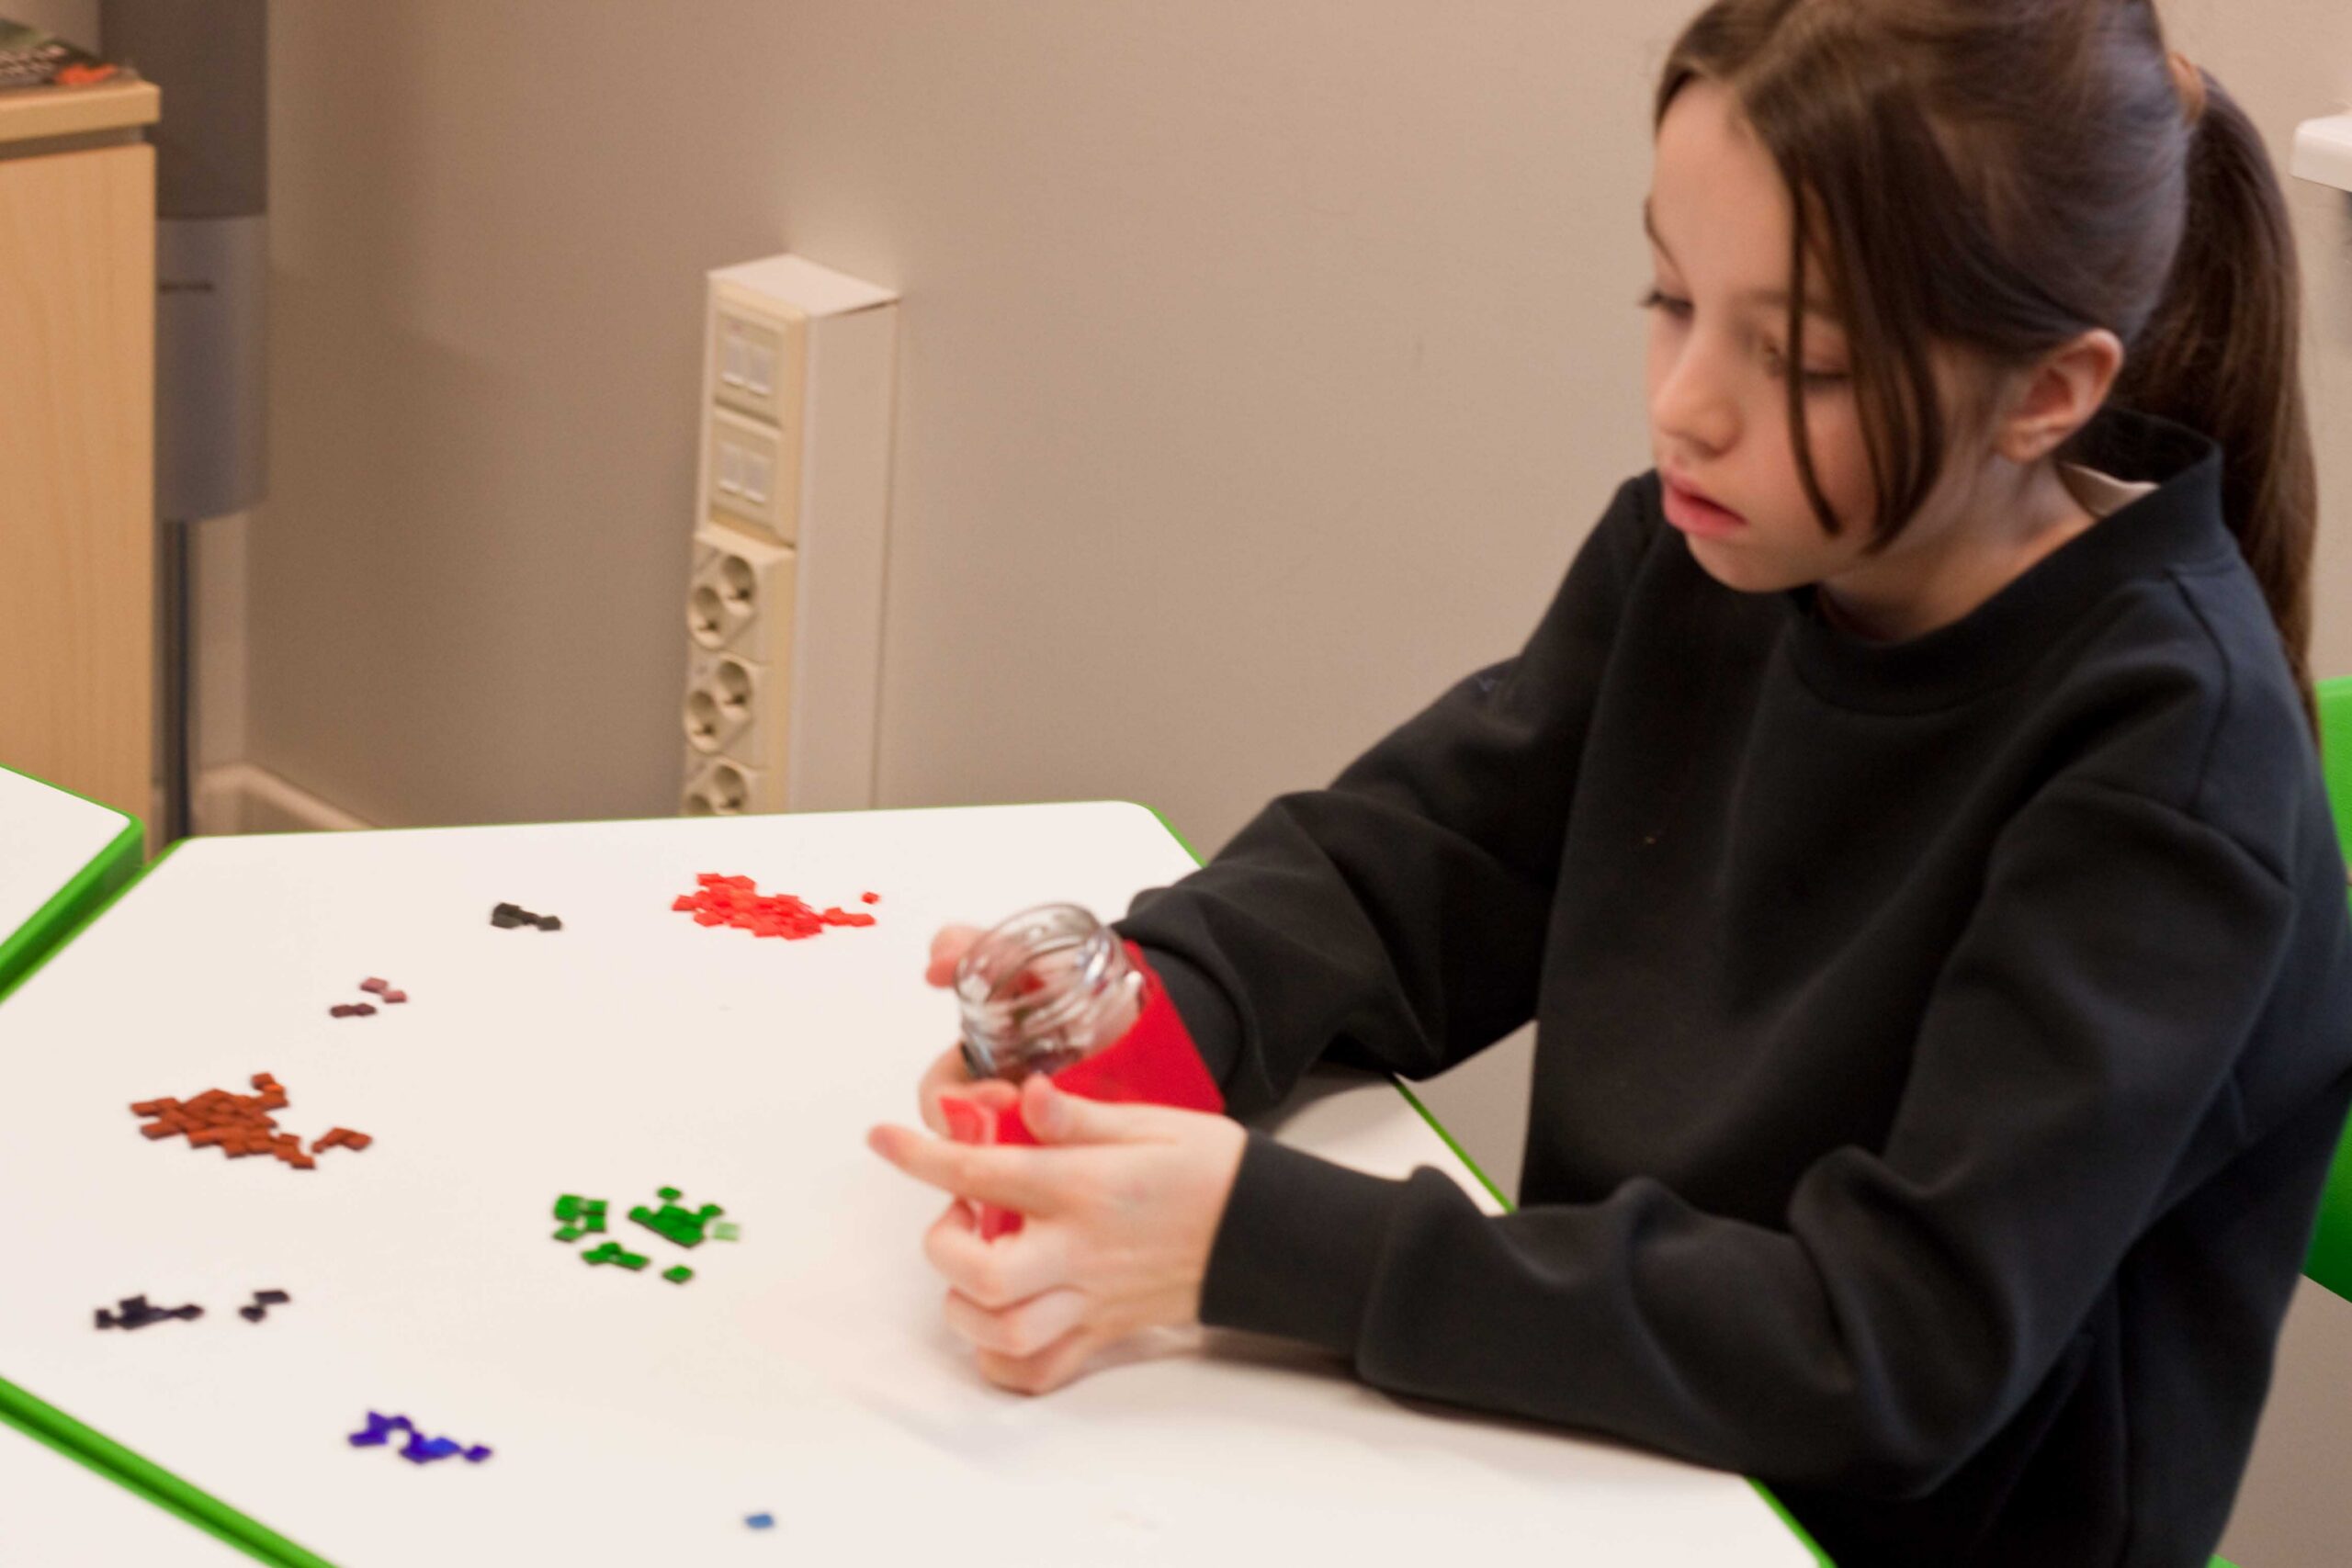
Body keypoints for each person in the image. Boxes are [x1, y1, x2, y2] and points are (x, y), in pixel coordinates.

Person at [867, 2, 2352, 1561]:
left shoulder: (2171, 772)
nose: (1685, 403)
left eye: (1799, 357)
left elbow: (1889, 1348)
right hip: (1601, 1467)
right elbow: (1419, 868)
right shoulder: (1713, 556)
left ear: (2048, 393)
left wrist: (1250, 1241)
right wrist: (1155, 1014)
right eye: (1672, 298)